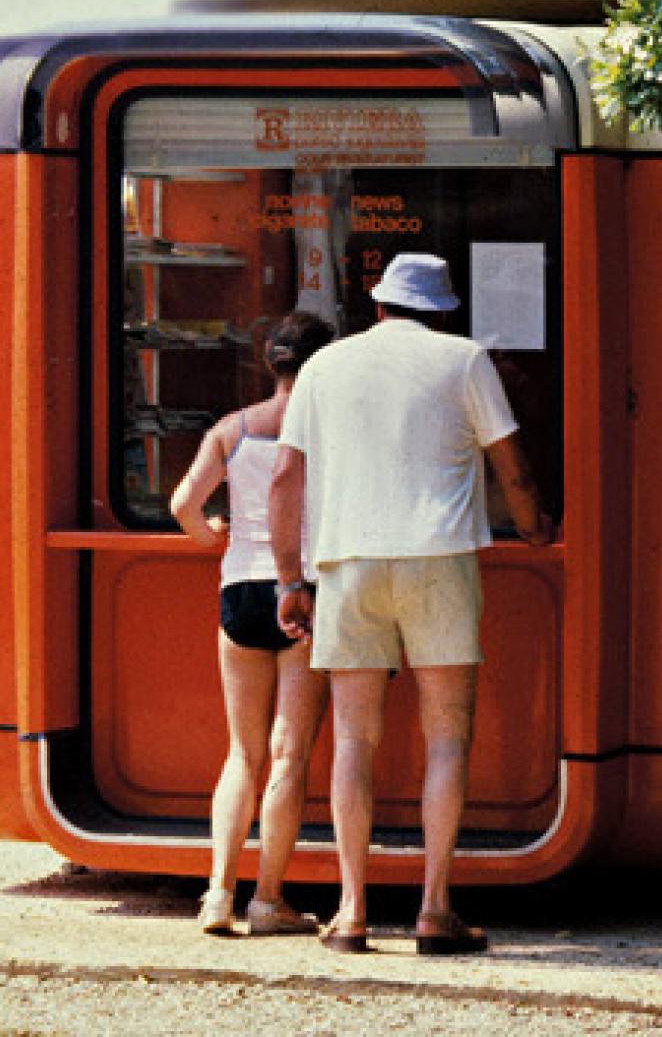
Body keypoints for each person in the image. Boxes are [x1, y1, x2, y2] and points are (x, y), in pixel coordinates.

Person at [270, 253, 554, 956]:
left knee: (352, 741)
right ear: (446, 310)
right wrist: (536, 524)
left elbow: (284, 477)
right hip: (439, 559)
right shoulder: (465, 360)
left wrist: (288, 580)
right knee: (446, 736)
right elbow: (510, 463)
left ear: (378, 307)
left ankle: (351, 909)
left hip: (347, 561)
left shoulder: (324, 367)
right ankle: (434, 907)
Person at [169, 311, 335, 937]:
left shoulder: (232, 430)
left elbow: (184, 504)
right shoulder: (327, 429)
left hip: (239, 588)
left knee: (242, 752)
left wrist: (211, 535)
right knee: (289, 755)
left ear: (271, 363)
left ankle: (217, 893)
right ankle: (268, 900)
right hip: (303, 591)